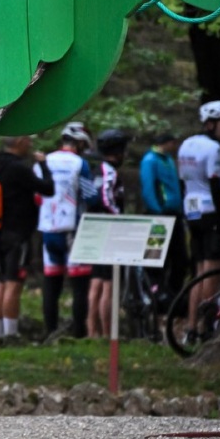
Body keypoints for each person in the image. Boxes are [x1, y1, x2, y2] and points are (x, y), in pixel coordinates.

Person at [0, 136, 53, 340]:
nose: (31, 144)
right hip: (18, 231)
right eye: (28, 140)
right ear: (19, 142)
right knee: (14, 283)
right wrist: (43, 164)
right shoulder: (18, 168)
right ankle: (11, 335)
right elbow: (48, 189)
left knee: (2, 282)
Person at [178, 100, 220, 335]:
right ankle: (205, 326)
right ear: (210, 125)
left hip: (192, 211)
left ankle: (191, 326)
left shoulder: (186, 144)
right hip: (211, 212)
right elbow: (216, 185)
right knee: (212, 273)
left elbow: (183, 182)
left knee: (198, 273)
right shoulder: (214, 149)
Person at [35, 123, 96, 339]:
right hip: (73, 228)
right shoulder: (80, 163)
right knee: (79, 284)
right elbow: (90, 196)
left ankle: (49, 332)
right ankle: (79, 333)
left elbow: (37, 196)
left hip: (48, 228)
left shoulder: (44, 161)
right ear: (80, 143)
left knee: (52, 282)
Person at [85, 129, 128, 339]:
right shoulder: (108, 170)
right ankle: (105, 332)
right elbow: (106, 198)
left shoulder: (94, 169)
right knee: (107, 284)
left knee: (97, 282)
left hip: (95, 227)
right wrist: (119, 217)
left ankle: (93, 331)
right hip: (108, 229)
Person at [138, 131, 186, 300]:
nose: (175, 147)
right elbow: (148, 188)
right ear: (167, 142)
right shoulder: (150, 160)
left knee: (179, 256)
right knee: (155, 256)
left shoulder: (169, 160)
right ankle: (154, 292)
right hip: (159, 216)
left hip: (175, 214)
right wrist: (156, 211)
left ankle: (173, 294)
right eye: (173, 143)